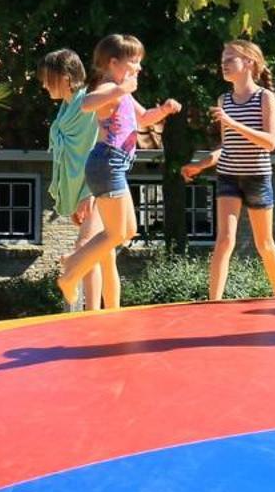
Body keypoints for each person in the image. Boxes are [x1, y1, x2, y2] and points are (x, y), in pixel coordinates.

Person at [57, 35, 180, 312]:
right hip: (106, 163)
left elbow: (144, 118)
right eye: (133, 62)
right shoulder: (108, 87)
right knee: (115, 233)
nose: (138, 68)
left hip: (114, 166)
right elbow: (87, 103)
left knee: (127, 231)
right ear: (114, 63)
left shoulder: (122, 91)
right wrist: (120, 88)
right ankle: (71, 272)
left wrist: (164, 109)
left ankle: (73, 263)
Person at [182, 40, 275, 302]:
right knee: (224, 240)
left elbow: (270, 142)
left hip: (257, 177)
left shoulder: (265, 97)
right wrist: (202, 164)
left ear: (249, 63)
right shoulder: (224, 99)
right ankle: (213, 302)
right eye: (222, 60)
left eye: (230, 59)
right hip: (229, 175)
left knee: (264, 244)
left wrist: (232, 122)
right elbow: (227, 146)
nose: (224, 64)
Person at [42, 48, 103, 313]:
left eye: (47, 78)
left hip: (97, 186)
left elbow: (94, 148)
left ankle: (84, 313)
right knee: (99, 256)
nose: (44, 85)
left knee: (85, 248)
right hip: (82, 190)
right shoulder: (67, 108)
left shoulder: (85, 105)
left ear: (66, 77)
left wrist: (87, 193)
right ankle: (97, 314)